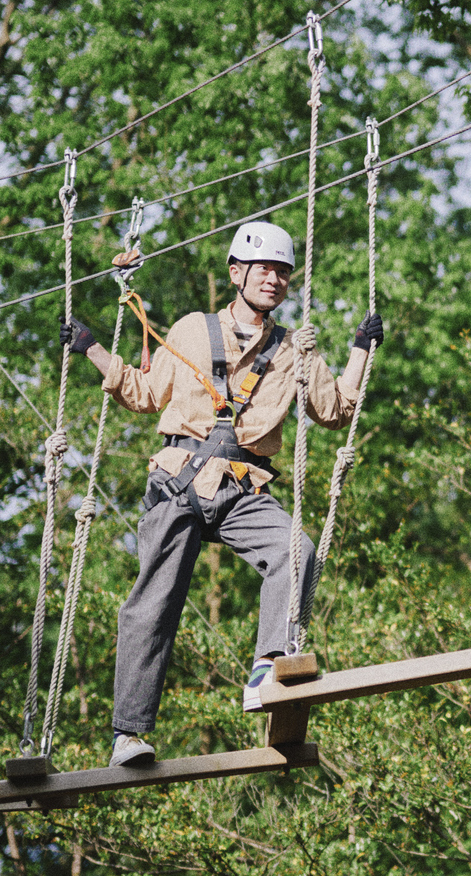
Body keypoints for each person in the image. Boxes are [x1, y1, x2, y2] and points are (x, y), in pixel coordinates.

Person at [61, 220, 384, 767]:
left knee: (296, 551)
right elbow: (142, 393)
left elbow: (335, 412)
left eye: (284, 272)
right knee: (152, 604)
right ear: (237, 273)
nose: (275, 280)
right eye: (265, 270)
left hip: (243, 488)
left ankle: (268, 667)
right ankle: (129, 735)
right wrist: (91, 348)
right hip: (179, 481)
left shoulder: (291, 351)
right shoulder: (191, 330)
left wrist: (359, 349)